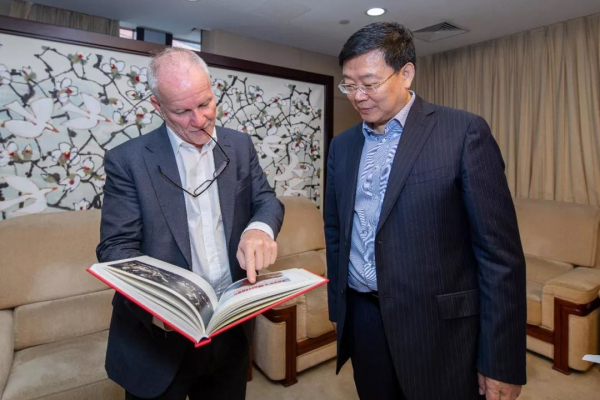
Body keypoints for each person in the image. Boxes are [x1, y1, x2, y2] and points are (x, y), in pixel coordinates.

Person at [325, 22, 526, 400]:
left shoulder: (463, 132)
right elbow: (336, 233)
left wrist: (501, 360)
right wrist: (341, 311)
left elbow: (500, 257)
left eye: (369, 83)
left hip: (439, 330)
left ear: (406, 73)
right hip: (364, 322)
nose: (358, 96)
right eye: (349, 85)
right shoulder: (343, 145)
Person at [96, 47, 284, 400]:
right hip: (158, 339)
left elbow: (266, 200)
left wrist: (259, 228)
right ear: (158, 106)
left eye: (206, 104)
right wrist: (160, 301)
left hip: (228, 329)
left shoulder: (239, 145)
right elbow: (115, 248)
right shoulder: (127, 160)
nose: (199, 120)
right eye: (182, 111)